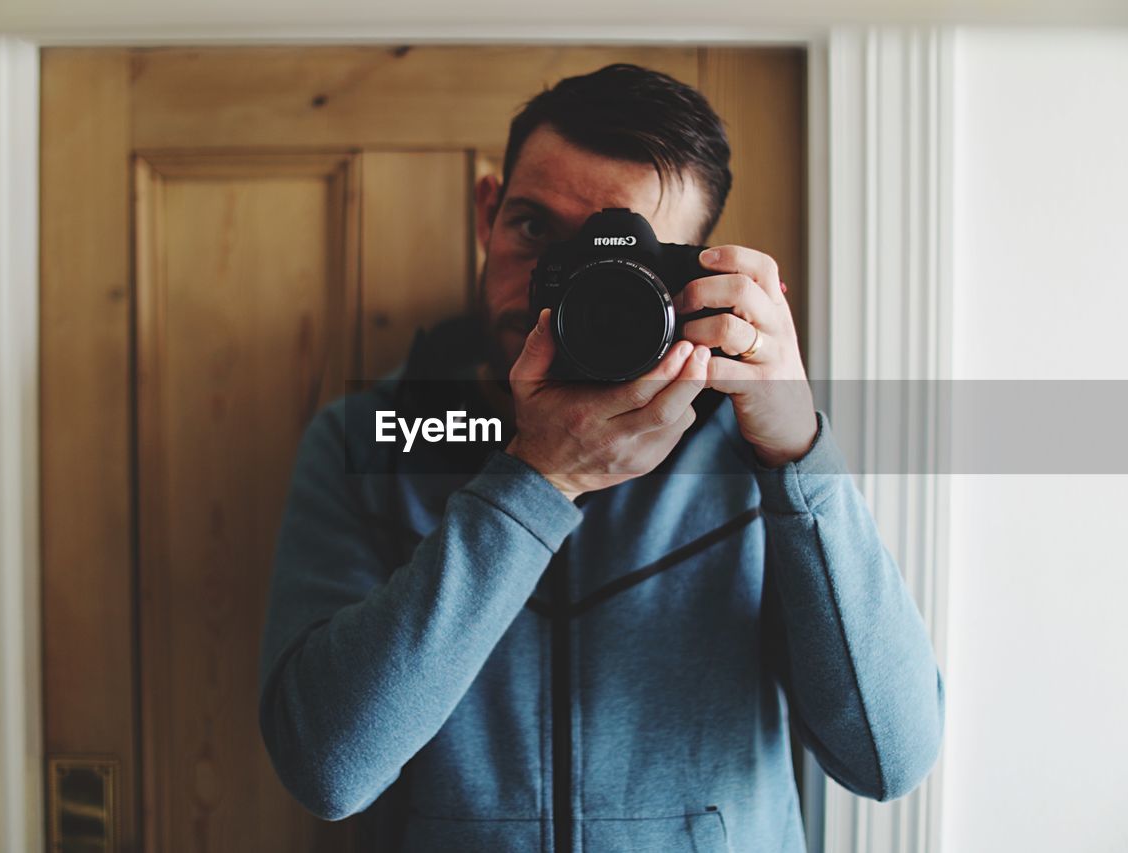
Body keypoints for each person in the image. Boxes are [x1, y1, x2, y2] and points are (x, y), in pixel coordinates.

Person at [258, 63, 943, 852]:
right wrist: (539, 482)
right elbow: (325, 768)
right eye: (534, 230)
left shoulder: (753, 449)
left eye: (614, 263)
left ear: (690, 276)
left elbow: (889, 759)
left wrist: (797, 455)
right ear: (487, 211)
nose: (556, 293)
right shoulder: (367, 443)